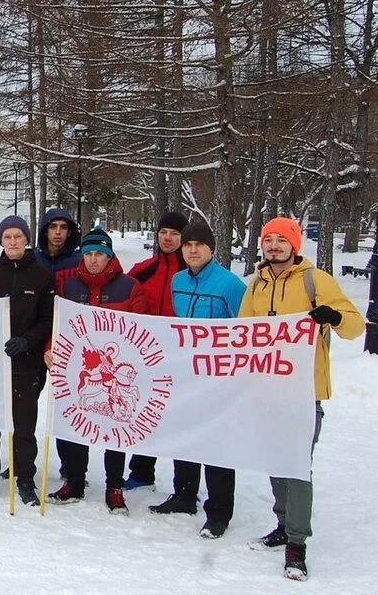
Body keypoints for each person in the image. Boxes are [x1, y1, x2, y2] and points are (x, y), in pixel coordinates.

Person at [239, 216, 362, 581]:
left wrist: (334, 316)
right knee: (276, 462)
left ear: (295, 244)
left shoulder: (315, 279)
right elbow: (243, 332)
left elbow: (356, 325)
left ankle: (297, 543)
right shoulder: (256, 284)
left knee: (296, 467)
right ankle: (282, 524)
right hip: (267, 392)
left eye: (281, 240)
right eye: (269, 240)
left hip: (304, 394)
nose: (274, 246)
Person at [147, 221, 244, 537]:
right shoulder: (177, 280)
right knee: (185, 434)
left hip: (219, 376)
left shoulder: (230, 284)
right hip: (188, 373)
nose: (192, 249)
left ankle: (218, 512)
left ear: (211, 249)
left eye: (199, 245)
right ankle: (185, 494)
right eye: (188, 245)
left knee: (216, 444)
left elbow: (247, 329)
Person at [46, 227, 147, 513]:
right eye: (88, 253)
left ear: (109, 256)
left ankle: (114, 485)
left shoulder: (129, 287)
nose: (93, 260)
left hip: (114, 370)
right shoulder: (69, 287)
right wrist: (50, 347)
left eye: (99, 254)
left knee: (114, 425)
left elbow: (142, 328)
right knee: (77, 422)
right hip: (79, 369)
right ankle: (74, 481)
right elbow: (55, 321)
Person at [0, 216, 55, 504]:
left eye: (18, 236)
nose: (13, 241)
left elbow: (48, 318)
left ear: (26, 239)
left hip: (27, 363)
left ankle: (26, 478)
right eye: (8, 237)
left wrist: (28, 341)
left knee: (24, 425)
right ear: (1, 241)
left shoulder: (42, 276)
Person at [123, 211, 188, 490]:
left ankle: (185, 485)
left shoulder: (191, 273)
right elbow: (121, 301)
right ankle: (141, 471)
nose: (168, 238)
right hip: (146, 356)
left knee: (182, 417)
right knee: (145, 412)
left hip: (182, 355)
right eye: (164, 232)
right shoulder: (142, 269)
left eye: (174, 233)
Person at [34, 207, 81, 277]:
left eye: (63, 227)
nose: (58, 232)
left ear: (69, 232)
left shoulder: (79, 262)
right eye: (53, 227)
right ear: (45, 231)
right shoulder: (34, 261)